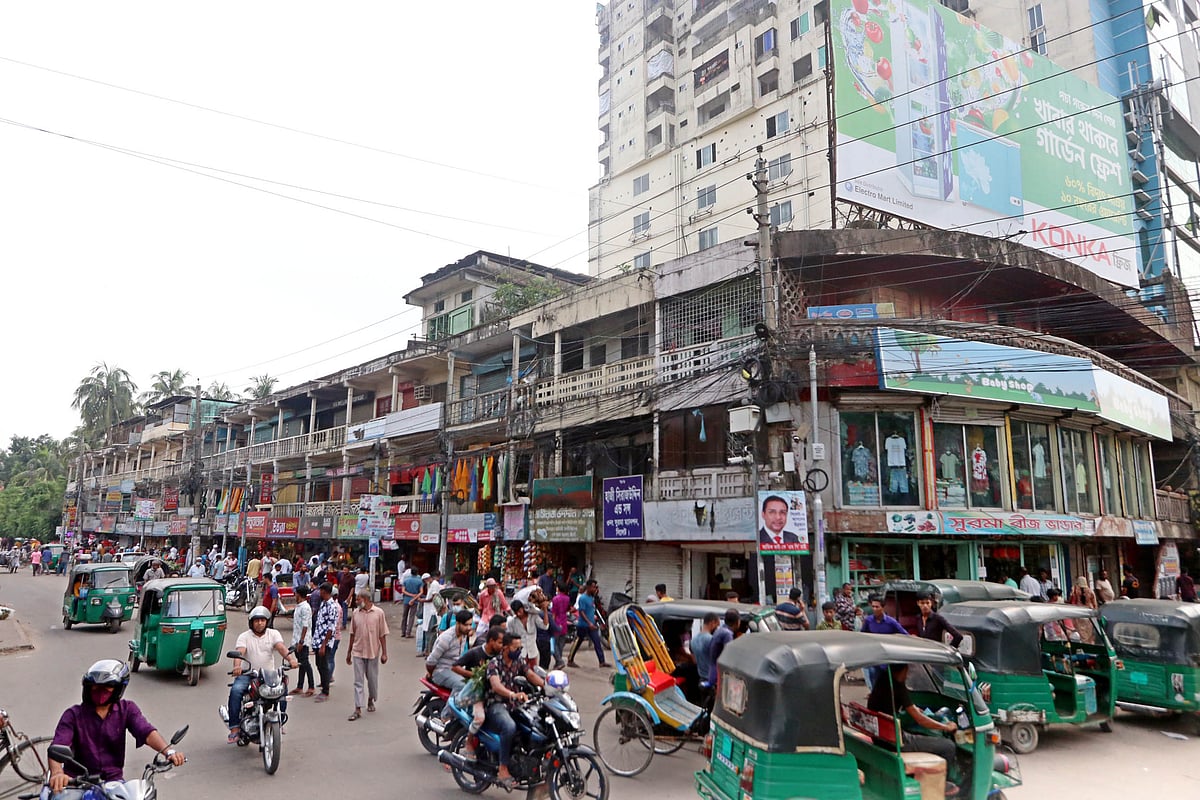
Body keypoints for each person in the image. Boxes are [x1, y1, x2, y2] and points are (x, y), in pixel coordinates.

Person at [48, 659, 186, 797]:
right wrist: (57, 773)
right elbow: (58, 745)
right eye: (94, 687)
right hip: (77, 783)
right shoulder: (72, 715)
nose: (99, 692)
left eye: (106, 688)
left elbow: (146, 732)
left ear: (118, 689)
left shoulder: (127, 710)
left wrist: (169, 752)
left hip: (112, 781)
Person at [867, 664, 964, 795]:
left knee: (921, 736)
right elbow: (920, 719)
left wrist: (914, 709)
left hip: (881, 737)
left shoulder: (884, 679)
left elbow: (901, 706)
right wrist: (945, 727)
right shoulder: (898, 685)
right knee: (948, 746)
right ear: (904, 670)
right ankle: (941, 787)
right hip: (894, 742)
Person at [483, 633, 546, 788]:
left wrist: (549, 686)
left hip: (515, 705)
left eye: (520, 648)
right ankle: (503, 768)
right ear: (505, 648)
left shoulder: (518, 661)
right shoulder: (494, 664)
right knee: (509, 727)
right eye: (515, 647)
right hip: (496, 704)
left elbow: (530, 674)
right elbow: (496, 686)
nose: (518, 650)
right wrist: (512, 694)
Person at [226, 606, 297, 743]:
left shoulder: (273, 634)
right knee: (236, 691)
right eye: (256, 620)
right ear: (251, 622)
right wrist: (237, 667)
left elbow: (281, 648)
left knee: (283, 690)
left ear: (267, 621)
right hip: (249, 674)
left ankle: (280, 721)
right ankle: (234, 728)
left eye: (262, 620)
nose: (259, 623)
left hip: (268, 674)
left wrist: (291, 660)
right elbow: (240, 652)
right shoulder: (244, 636)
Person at [346, 588, 389, 721]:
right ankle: (358, 708)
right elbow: (352, 634)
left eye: (358, 599)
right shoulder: (355, 614)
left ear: (365, 599)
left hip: (373, 651)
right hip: (358, 651)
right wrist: (348, 652)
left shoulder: (378, 613)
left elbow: (382, 634)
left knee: (372, 679)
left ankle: (371, 698)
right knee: (358, 681)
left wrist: (384, 653)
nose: (356, 601)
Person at [427, 609, 475, 694]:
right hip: (441, 671)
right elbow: (430, 662)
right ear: (457, 623)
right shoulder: (446, 638)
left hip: (454, 670)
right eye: (465, 625)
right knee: (462, 685)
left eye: (470, 625)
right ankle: (451, 707)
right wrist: (431, 675)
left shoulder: (464, 635)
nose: (468, 628)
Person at [567, 579, 609, 669]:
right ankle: (570, 660)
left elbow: (592, 610)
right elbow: (581, 612)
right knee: (578, 642)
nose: (595, 589)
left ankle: (602, 662)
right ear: (589, 587)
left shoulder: (592, 598)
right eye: (593, 587)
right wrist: (589, 622)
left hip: (592, 624)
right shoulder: (582, 598)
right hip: (583, 625)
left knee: (597, 642)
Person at [311, 583, 338, 702]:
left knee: (324, 665)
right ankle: (323, 683)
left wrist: (323, 645)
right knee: (319, 664)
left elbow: (331, 628)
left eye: (321, 591)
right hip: (317, 639)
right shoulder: (323, 604)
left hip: (324, 642)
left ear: (325, 592)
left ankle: (325, 691)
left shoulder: (332, 606)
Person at [506, 599, 548, 671]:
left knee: (534, 671)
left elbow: (545, 626)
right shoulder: (512, 621)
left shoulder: (533, 617)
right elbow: (510, 636)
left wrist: (545, 610)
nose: (518, 614)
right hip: (521, 653)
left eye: (519, 611)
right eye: (516, 612)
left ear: (523, 608)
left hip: (533, 651)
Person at [290, 585, 315, 697]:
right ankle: (300, 686)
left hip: (302, 640)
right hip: (297, 638)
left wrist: (301, 641)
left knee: (305, 663)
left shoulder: (305, 607)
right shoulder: (299, 606)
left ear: (299, 595)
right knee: (301, 663)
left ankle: (311, 686)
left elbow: (305, 626)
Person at [706, 608, 740, 686]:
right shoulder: (727, 634)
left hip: (712, 671)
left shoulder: (720, 630)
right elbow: (728, 656)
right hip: (719, 675)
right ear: (737, 622)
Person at [417, 571, 445, 656]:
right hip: (428, 611)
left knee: (431, 631)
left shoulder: (435, 584)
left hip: (432, 612)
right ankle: (426, 650)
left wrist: (423, 600)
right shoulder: (431, 585)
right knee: (427, 631)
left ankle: (429, 651)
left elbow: (434, 598)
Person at [691, 612, 720, 688]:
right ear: (712, 623)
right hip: (713, 681)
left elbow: (694, 660)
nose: (717, 628)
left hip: (701, 679)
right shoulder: (711, 639)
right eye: (717, 625)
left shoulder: (693, 640)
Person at [550, 582, 571, 670]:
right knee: (561, 644)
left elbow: (554, 613)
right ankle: (558, 662)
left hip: (557, 622)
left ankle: (559, 661)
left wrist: (552, 624)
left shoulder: (555, 599)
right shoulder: (567, 598)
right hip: (564, 622)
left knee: (554, 644)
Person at [400, 568, 424, 637]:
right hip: (415, 601)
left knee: (404, 616)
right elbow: (421, 592)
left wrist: (410, 595)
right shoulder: (419, 581)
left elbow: (403, 591)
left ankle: (403, 632)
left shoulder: (406, 580)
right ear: (417, 573)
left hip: (406, 600)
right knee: (411, 616)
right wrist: (414, 597)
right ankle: (408, 633)